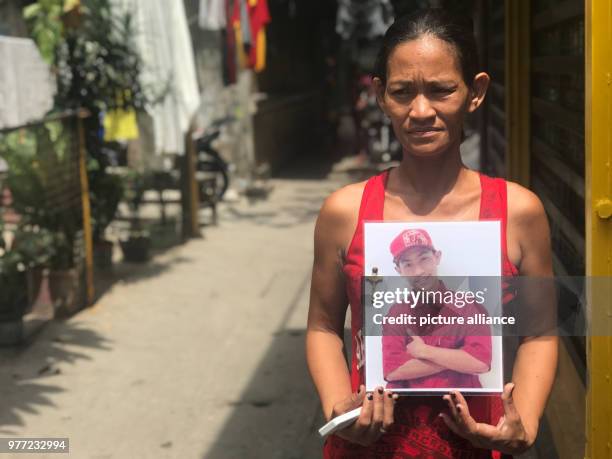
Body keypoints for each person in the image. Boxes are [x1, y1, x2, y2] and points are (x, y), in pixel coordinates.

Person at [306, 8, 558, 458]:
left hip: (476, 445)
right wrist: (338, 408)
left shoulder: (519, 212)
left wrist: (526, 421)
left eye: (441, 90)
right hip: (368, 448)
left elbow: (540, 333)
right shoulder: (344, 212)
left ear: (475, 92)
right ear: (382, 96)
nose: (421, 111)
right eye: (403, 92)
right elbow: (324, 326)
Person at [381, 228, 493, 390]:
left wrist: (425, 351)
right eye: (408, 265)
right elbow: (392, 370)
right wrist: (457, 358)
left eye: (424, 259)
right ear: (399, 270)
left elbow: (481, 362)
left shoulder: (469, 306)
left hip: (464, 408)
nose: (419, 271)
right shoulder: (396, 313)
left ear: (437, 257)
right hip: (407, 410)